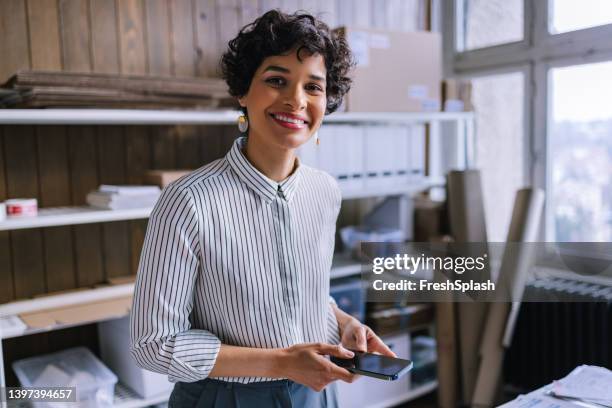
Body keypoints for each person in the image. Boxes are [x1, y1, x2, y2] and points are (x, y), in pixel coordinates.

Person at [130, 9, 395, 408]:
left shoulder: (325, 191)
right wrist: (281, 363)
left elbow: (303, 294)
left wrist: (344, 323)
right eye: (276, 80)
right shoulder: (187, 201)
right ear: (243, 91)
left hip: (315, 392)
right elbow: (153, 345)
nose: (296, 100)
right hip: (225, 398)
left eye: (314, 87)